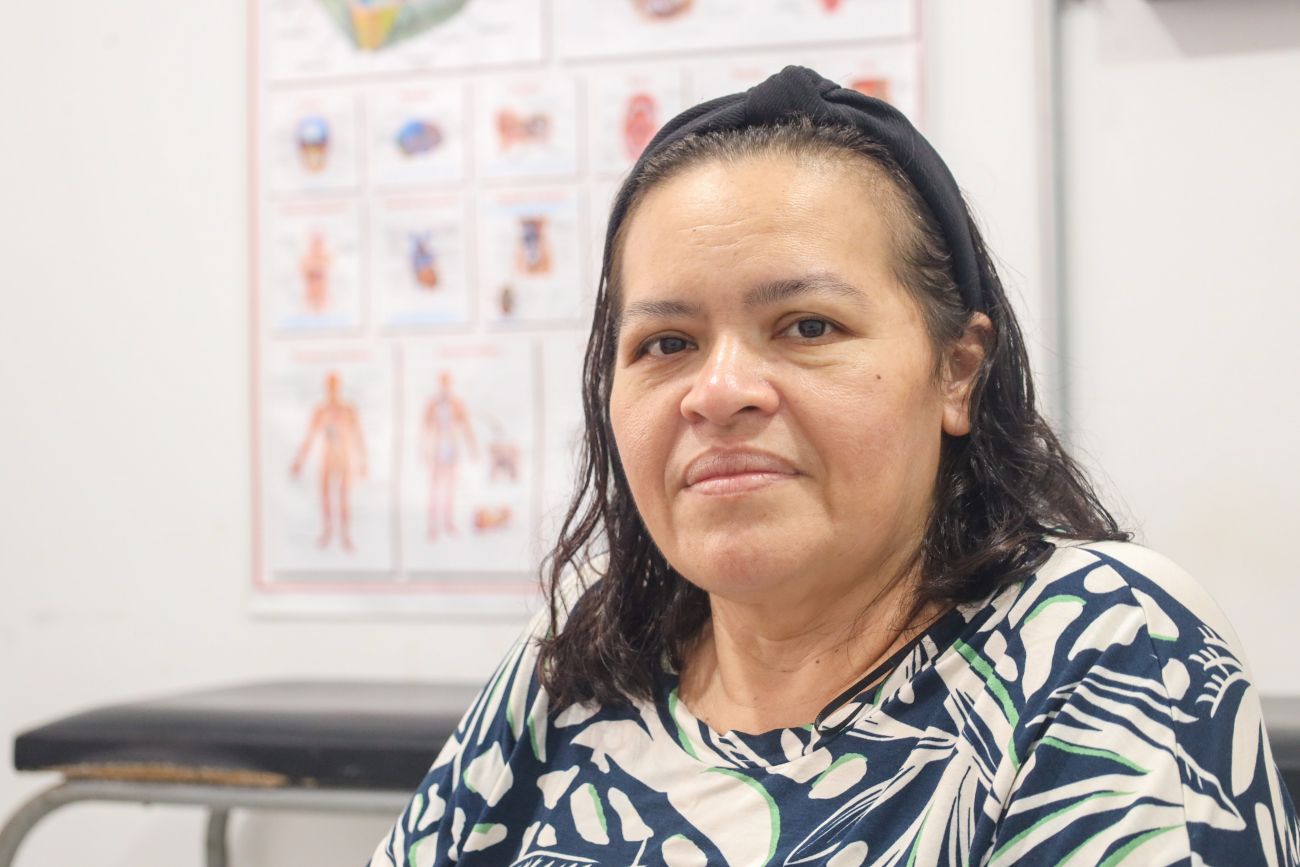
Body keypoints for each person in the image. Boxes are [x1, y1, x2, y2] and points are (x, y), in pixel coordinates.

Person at [369, 66, 1300, 866]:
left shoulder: (1098, 644)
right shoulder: (577, 666)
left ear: (957, 372)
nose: (718, 392)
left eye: (807, 326)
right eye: (666, 343)